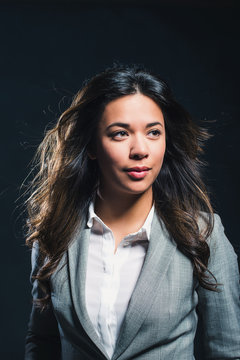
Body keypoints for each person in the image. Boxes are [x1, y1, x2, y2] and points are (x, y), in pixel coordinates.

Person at [24, 64, 240, 360]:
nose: (140, 149)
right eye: (120, 133)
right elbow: (42, 341)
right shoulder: (54, 236)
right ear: (91, 146)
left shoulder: (203, 235)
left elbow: (229, 351)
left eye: (153, 132)